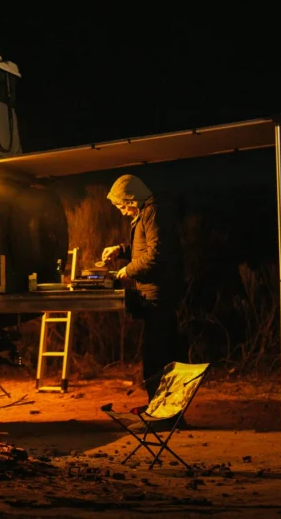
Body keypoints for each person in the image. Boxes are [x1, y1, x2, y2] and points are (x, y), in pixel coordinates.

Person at [101, 174, 186, 414]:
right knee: (159, 352)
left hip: (158, 295)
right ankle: (159, 407)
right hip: (153, 294)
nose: (122, 211)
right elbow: (145, 247)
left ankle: (163, 412)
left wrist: (128, 270)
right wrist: (121, 250)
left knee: (158, 355)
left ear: (130, 198)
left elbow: (157, 255)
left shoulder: (154, 212)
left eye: (121, 205)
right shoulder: (148, 213)